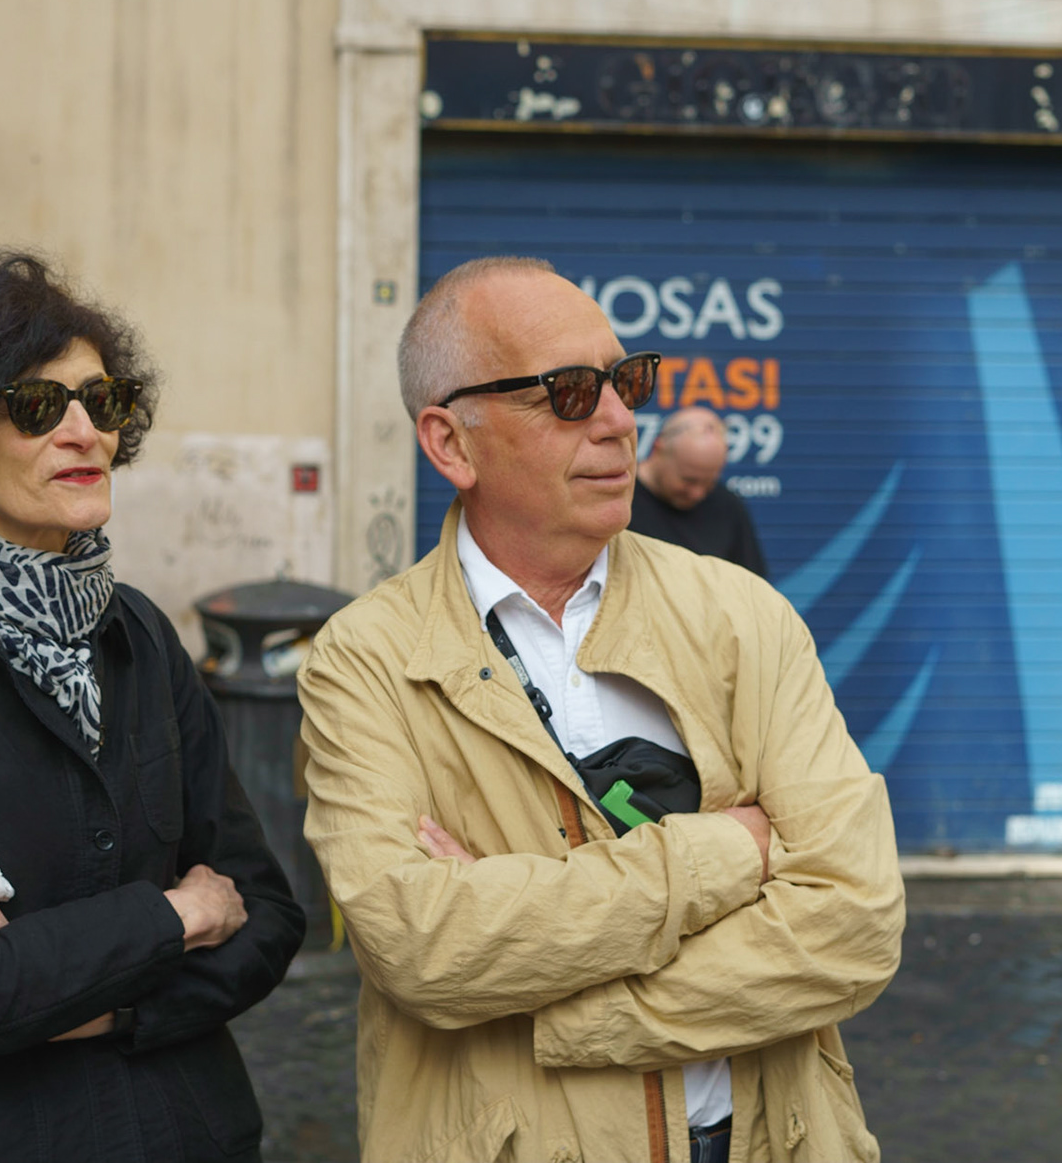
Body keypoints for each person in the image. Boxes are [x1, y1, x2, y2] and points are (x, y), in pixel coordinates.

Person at [297, 256, 903, 1163]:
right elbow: (420, 942)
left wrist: (577, 1009)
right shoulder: (366, 660)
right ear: (450, 442)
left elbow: (854, 919)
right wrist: (729, 851)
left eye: (628, 380)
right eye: (570, 393)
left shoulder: (742, 614)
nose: (622, 419)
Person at [0, 252, 305, 1162]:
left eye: (102, 402)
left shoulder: (147, 637)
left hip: (180, 1131)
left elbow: (268, 911)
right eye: (39, 406)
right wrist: (178, 917)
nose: (83, 431)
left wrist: (102, 1004)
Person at [631, 405, 771, 577]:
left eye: (709, 482)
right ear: (658, 450)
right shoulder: (622, 498)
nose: (697, 493)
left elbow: (753, 586)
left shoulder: (727, 506)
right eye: (688, 480)